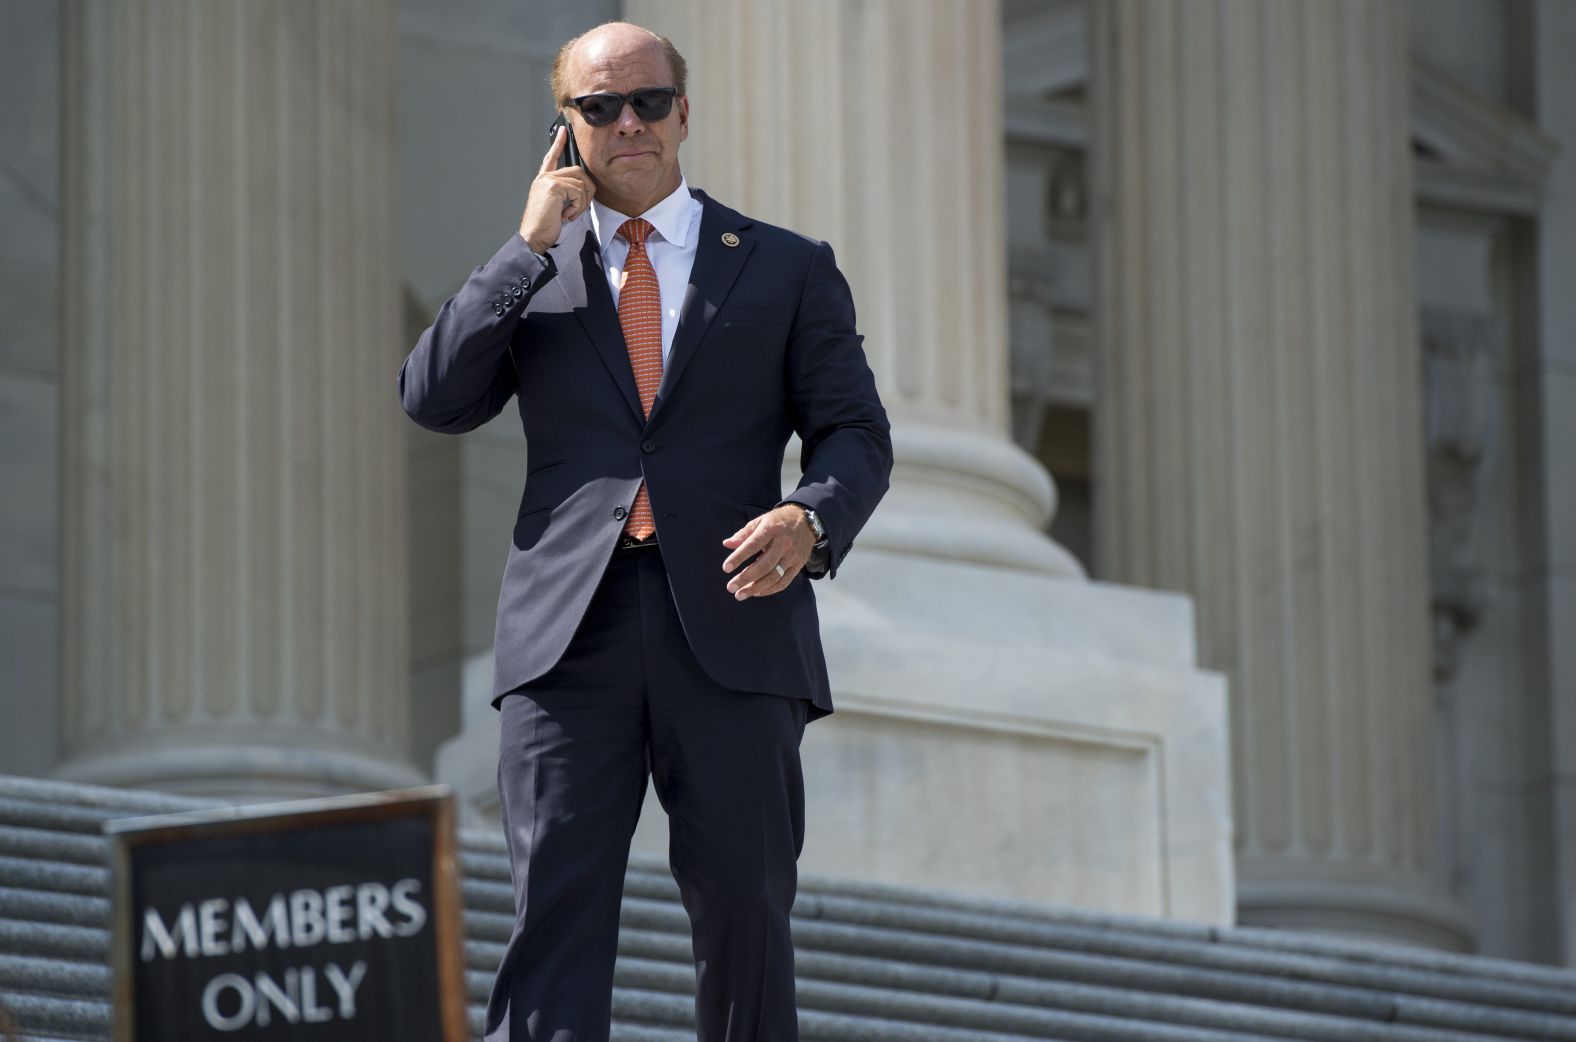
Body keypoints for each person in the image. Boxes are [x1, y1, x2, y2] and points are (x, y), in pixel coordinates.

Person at [399, 20, 891, 1042]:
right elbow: (434, 398)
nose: (629, 123)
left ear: (683, 113)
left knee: (746, 907)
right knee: (553, 911)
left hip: (735, 618)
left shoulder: (785, 268)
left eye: (649, 102)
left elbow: (854, 430)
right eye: (599, 107)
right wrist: (526, 243)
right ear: (565, 128)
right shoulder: (535, 271)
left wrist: (811, 516)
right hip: (566, 638)